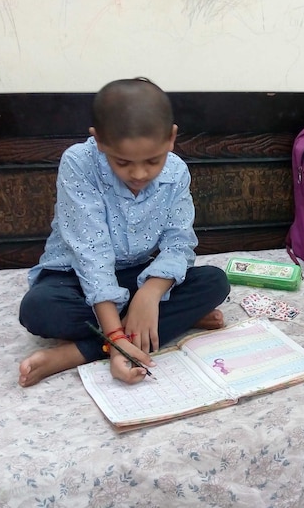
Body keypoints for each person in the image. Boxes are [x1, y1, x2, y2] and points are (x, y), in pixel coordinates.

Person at [17, 78, 230, 387]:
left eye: (152, 161)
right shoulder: (78, 163)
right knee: (39, 310)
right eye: (123, 162)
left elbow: (178, 243)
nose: (139, 174)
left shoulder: (176, 171)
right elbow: (91, 254)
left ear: (171, 139)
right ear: (100, 140)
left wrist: (151, 293)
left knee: (215, 282)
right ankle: (159, 322)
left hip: (137, 273)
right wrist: (115, 338)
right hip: (75, 273)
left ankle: (80, 351)